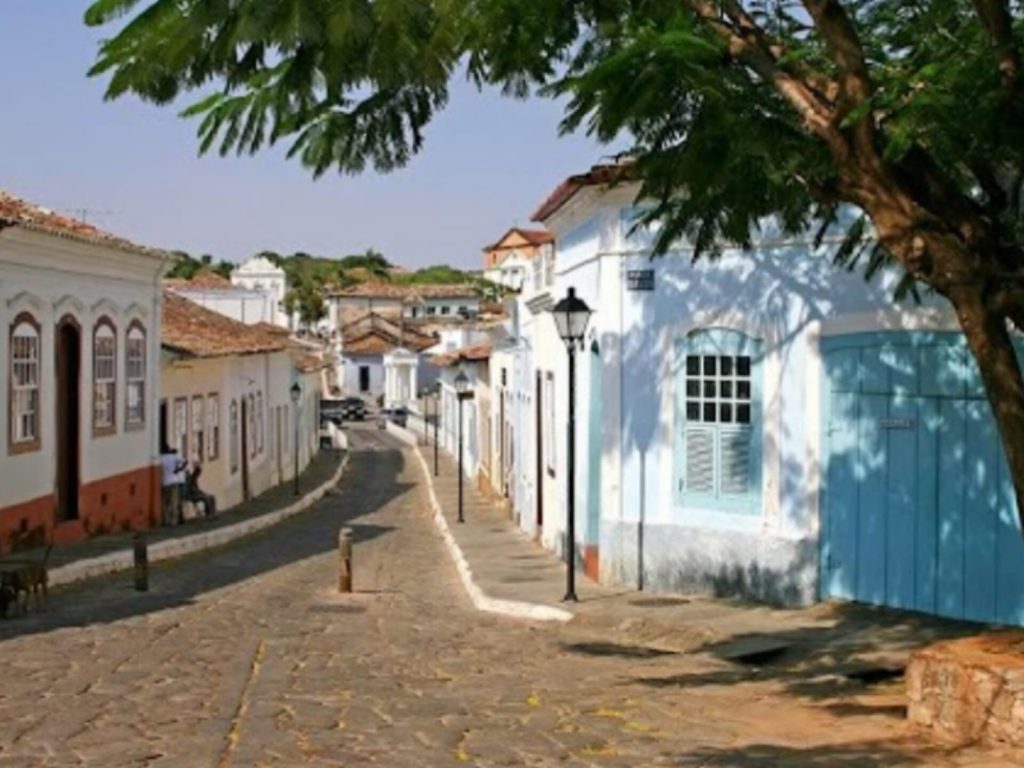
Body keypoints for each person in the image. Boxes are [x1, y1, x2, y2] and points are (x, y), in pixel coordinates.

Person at [160, 443, 186, 526]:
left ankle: (166, 520)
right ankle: (174, 521)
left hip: (165, 482)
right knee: (174, 501)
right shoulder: (174, 457)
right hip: (174, 481)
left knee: (166, 502)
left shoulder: (161, 458)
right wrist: (178, 469)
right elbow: (185, 461)